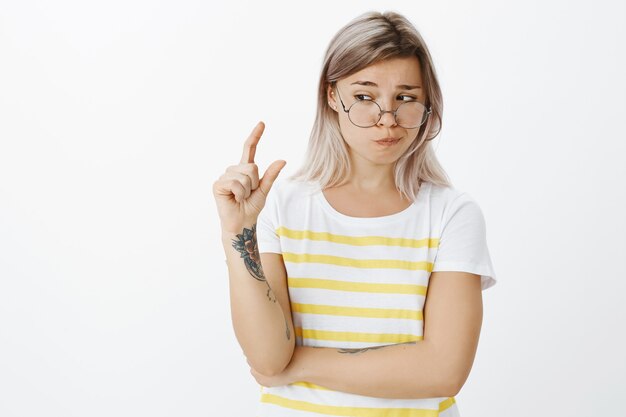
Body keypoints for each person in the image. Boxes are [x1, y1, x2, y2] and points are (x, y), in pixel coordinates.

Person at [213, 10, 497, 417]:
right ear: (332, 95)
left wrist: (302, 364)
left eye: (405, 98)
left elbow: (442, 370)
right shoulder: (283, 204)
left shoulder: (452, 214)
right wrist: (236, 233)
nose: (387, 120)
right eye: (364, 97)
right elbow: (268, 358)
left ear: (427, 103)